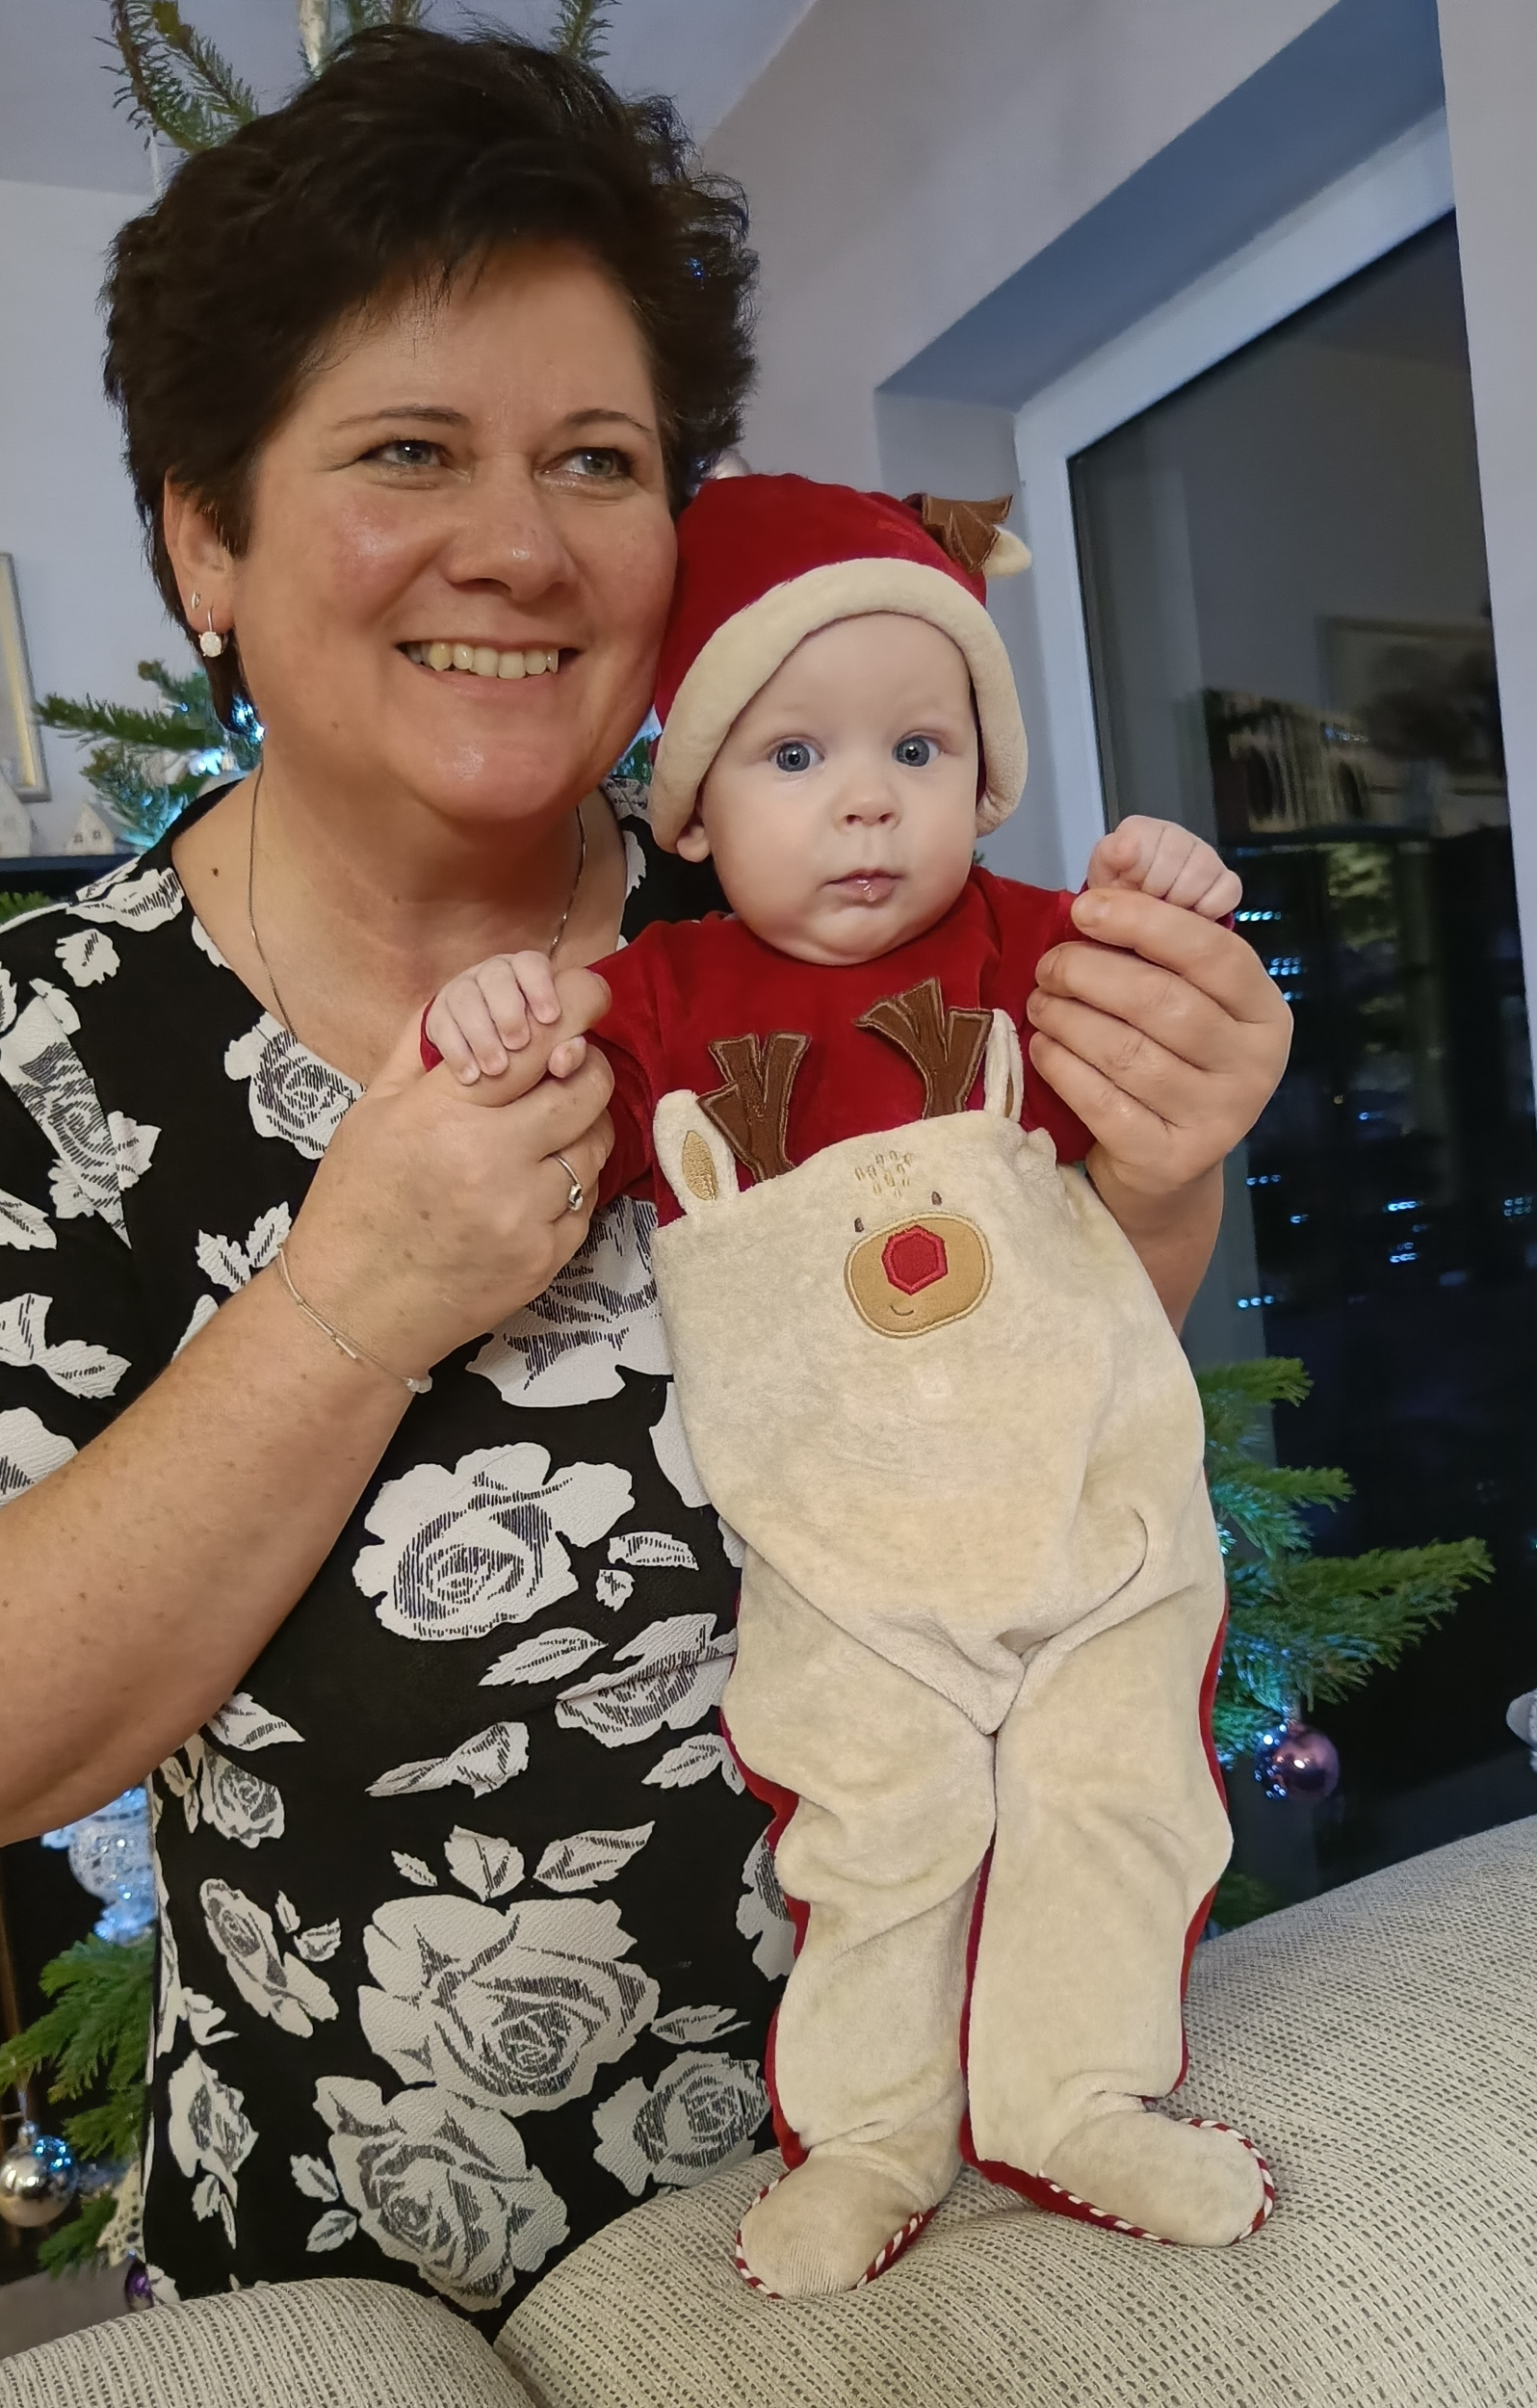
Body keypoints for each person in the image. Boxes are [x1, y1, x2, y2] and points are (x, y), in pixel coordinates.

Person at [0, 30, 1290, 2325]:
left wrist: (1162, 1165)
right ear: (204, 535)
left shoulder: (803, 899)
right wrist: (351, 1297)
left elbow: (1021, 1383)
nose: (516, 543)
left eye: (595, 458)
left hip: (917, 2224)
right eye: (406, 449)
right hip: (365, 2277)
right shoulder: (51, 1035)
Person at [422, 474, 1279, 2297]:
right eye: (795, 755)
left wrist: (1172, 891)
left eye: (918, 747)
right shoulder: (663, 993)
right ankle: (874, 2139)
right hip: (842, 1564)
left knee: (1112, 1802)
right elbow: (508, 1098)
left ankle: (1079, 2097)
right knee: (878, 1846)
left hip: (1090, 1520)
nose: (869, 798)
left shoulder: (1027, 946)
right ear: (696, 810)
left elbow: (1169, 1007)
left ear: (985, 777)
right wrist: (486, 1022)